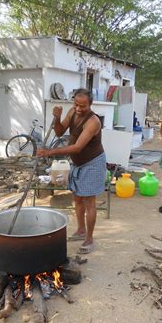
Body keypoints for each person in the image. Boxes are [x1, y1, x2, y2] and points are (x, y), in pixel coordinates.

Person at [37, 88, 106, 255]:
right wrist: (57, 117)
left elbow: (77, 147)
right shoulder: (72, 112)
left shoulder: (93, 122)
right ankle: (81, 230)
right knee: (77, 197)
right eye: (76, 104)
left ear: (90, 104)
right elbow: (60, 131)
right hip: (78, 163)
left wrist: (49, 152)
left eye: (83, 106)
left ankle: (89, 239)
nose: (79, 108)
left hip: (92, 163)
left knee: (89, 201)